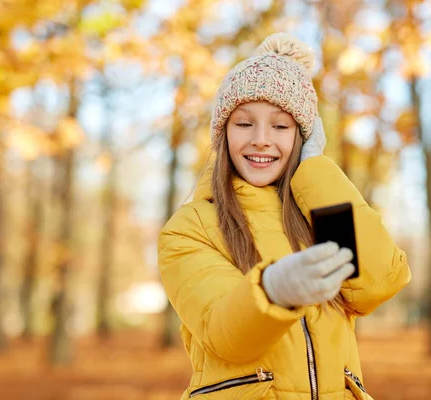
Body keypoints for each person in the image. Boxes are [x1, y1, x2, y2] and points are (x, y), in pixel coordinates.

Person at [158, 32, 411, 400]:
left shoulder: (320, 212)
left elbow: (379, 284)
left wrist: (315, 170)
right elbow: (224, 334)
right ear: (223, 133)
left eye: (280, 126)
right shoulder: (190, 229)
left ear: (303, 137)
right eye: (244, 124)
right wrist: (273, 290)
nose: (261, 139)